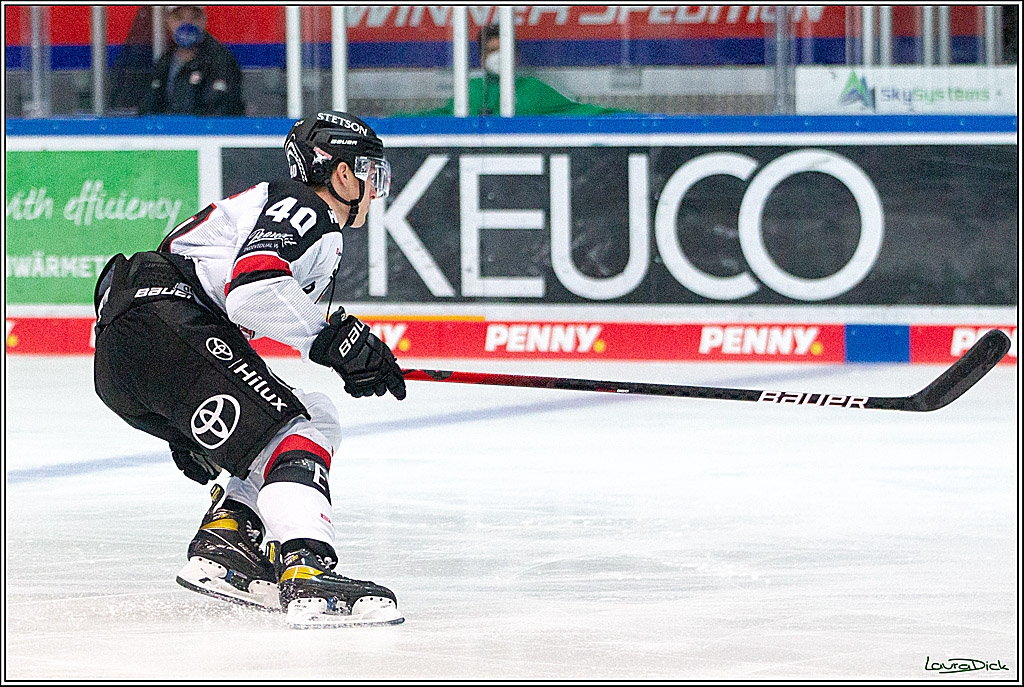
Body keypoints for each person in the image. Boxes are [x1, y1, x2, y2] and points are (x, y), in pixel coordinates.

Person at [92, 111, 406, 628]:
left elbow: (234, 297)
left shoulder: (276, 207)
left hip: (128, 352)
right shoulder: (308, 208)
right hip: (169, 324)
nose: (375, 191)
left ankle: (228, 542)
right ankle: (308, 575)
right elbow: (254, 291)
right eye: (370, 174)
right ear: (342, 174)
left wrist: (342, 344)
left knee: (303, 419)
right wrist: (334, 340)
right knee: (297, 431)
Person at [406, 23, 627, 116]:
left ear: (516, 56)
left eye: (505, 50)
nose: (499, 57)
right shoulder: (471, 90)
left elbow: (577, 112)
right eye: (493, 50)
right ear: (482, 59)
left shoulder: (533, 89)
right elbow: (441, 117)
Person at [139, 5, 245, 116]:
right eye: (179, 18)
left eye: (194, 18)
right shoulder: (164, 62)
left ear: (204, 21)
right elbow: (147, 107)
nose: (187, 24)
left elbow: (223, 109)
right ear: (168, 21)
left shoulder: (220, 60)